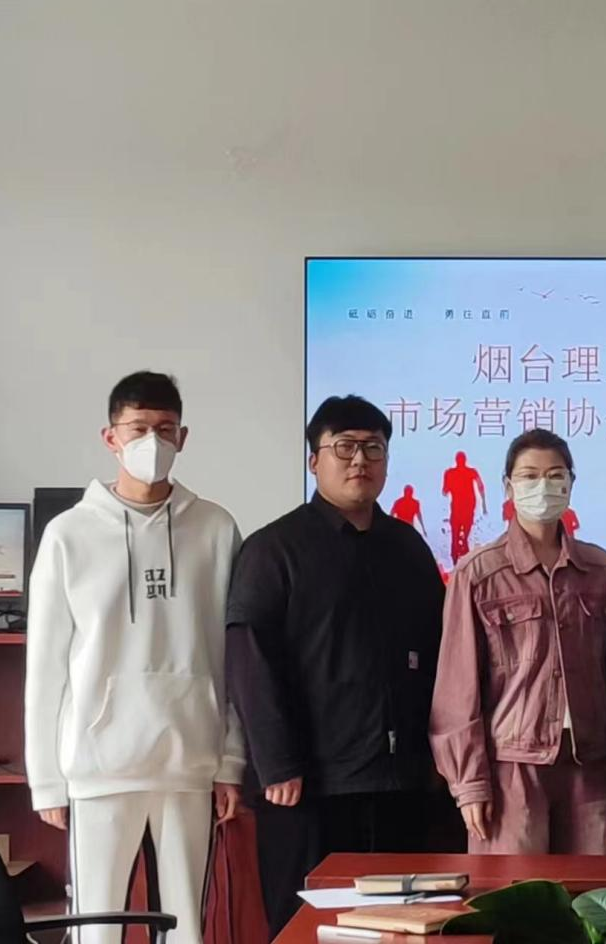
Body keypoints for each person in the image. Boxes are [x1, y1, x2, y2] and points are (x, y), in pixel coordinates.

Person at [25, 371, 243, 944]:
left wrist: (230, 762)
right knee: (96, 928)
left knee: (187, 927)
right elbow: (45, 666)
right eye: (139, 428)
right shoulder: (68, 534)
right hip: (99, 767)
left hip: (189, 762)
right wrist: (46, 781)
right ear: (111, 437)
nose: (153, 442)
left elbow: (231, 656)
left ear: (183, 437)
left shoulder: (216, 528)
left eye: (166, 429)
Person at [226, 395, 445, 936]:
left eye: (373, 448)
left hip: (401, 783)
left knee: (402, 926)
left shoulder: (409, 548)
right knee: (311, 925)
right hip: (308, 785)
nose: (360, 460)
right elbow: (250, 661)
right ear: (314, 460)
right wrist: (277, 763)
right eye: (344, 447)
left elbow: (441, 656)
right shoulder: (274, 549)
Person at [430, 429, 606, 854]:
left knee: (590, 890)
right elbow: (457, 690)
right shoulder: (478, 573)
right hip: (511, 767)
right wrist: (469, 783)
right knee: (513, 890)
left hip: (591, 765)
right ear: (508, 486)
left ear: (571, 483)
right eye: (530, 476)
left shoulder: (601, 570)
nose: (544, 486)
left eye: (555, 475)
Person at [442, 451, 487, 564]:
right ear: (465, 460)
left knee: (455, 535)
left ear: (456, 460)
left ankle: (456, 560)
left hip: (457, 507)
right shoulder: (471, 472)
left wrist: (452, 485)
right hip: (468, 506)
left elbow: (444, 492)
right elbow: (481, 487)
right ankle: (463, 554)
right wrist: (484, 504)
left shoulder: (450, 473)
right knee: (465, 534)